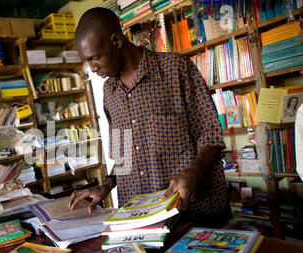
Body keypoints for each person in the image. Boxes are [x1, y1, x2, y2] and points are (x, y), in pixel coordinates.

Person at [68, 7, 231, 228]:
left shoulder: (176, 69)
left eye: (95, 58)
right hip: (139, 220)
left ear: (116, 40)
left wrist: (194, 169)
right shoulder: (109, 92)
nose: (93, 68)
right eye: (87, 61)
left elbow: (210, 133)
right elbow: (123, 153)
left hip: (192, 214)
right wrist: (106, 186)